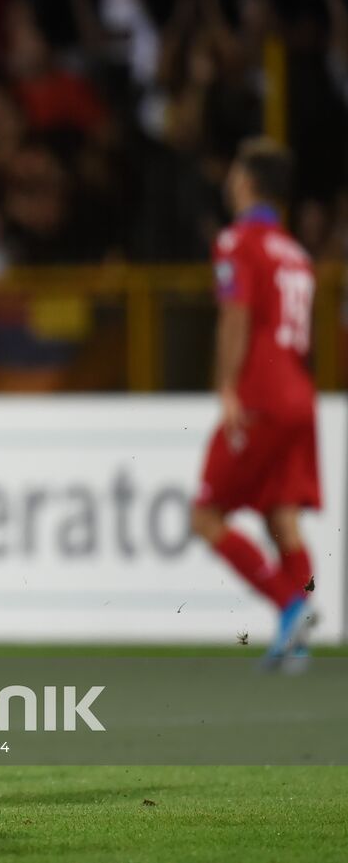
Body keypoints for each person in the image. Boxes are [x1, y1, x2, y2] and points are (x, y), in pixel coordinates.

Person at [191, 137, 318, 671]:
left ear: (245, 182)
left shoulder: (238, 241)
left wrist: (227, 386)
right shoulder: (295, 252)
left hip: (260, 395)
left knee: (205, 515)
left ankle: (291, 605)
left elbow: (236, 315)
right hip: (298, 394)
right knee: (281, 517)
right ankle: (299, 639)